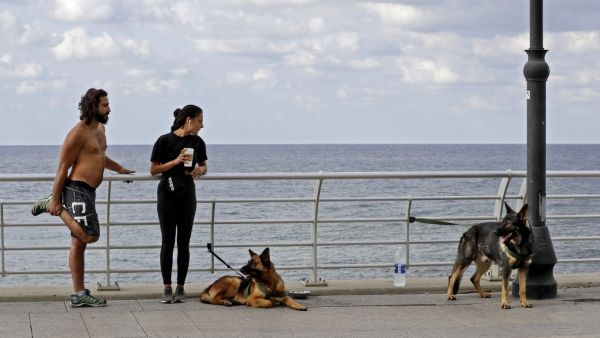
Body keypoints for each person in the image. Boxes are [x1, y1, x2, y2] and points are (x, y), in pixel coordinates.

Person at [31, 88, 134, 307]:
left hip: (89, 191)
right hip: (77, 189)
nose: (109, 108)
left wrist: (119, 169)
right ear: (92, 107)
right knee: (90, 236)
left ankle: (79, 294)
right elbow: (62, 168)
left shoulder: (100, 128)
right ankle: (51, 205)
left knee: (78, 244)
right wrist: (57, 199)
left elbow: (99, 156)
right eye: (105, 105)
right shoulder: (77, 133)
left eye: (108, 103)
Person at [150, 104, 207, 303]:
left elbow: (203, 165)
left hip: (187, 194)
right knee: (167, 242)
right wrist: (175, 161)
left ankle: (181, 286)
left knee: (184, 243)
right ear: (189, 120)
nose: (202, 125)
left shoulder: (198, 142)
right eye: (200, 121)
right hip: (167, 194)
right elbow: (154, 169)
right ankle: (167, 287)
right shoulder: (164, 140)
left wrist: (201, 169)